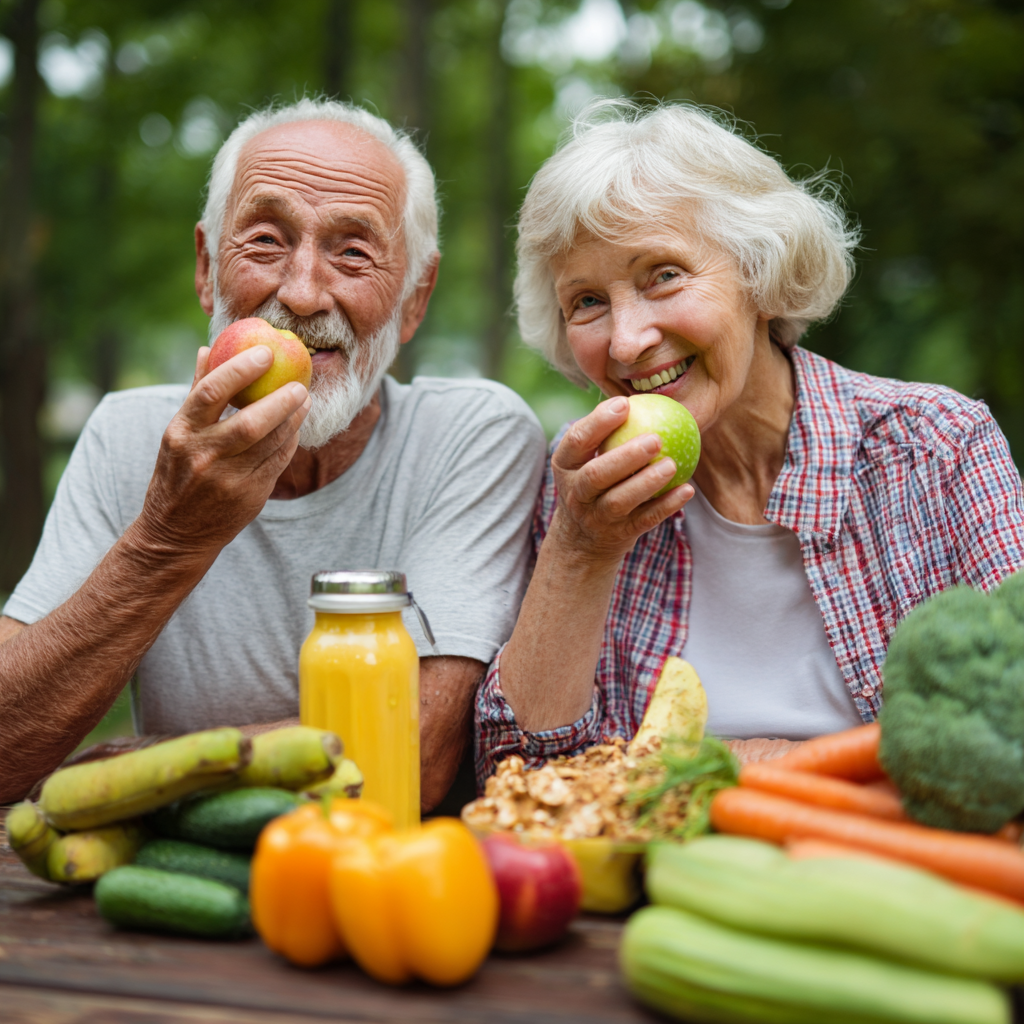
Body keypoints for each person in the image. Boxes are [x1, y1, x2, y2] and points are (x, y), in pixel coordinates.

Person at [0, 98, 545, 810]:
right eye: (265, 240)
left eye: (353, 251)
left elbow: (406, 759)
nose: (303, 292)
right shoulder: (129, 435)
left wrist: (142, 771)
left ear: (415, 299)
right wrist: (167, 540)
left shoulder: (474, 436)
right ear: (206, 268)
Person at [474, 100, 1024, 784]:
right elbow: (523, 780)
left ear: (759, 272)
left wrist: (760, 769)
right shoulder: (587, 481)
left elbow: (1012, 730)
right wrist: (581, 548)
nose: (626, 340)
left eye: (664, 275)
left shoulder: (936, 448)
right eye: (587, 301)